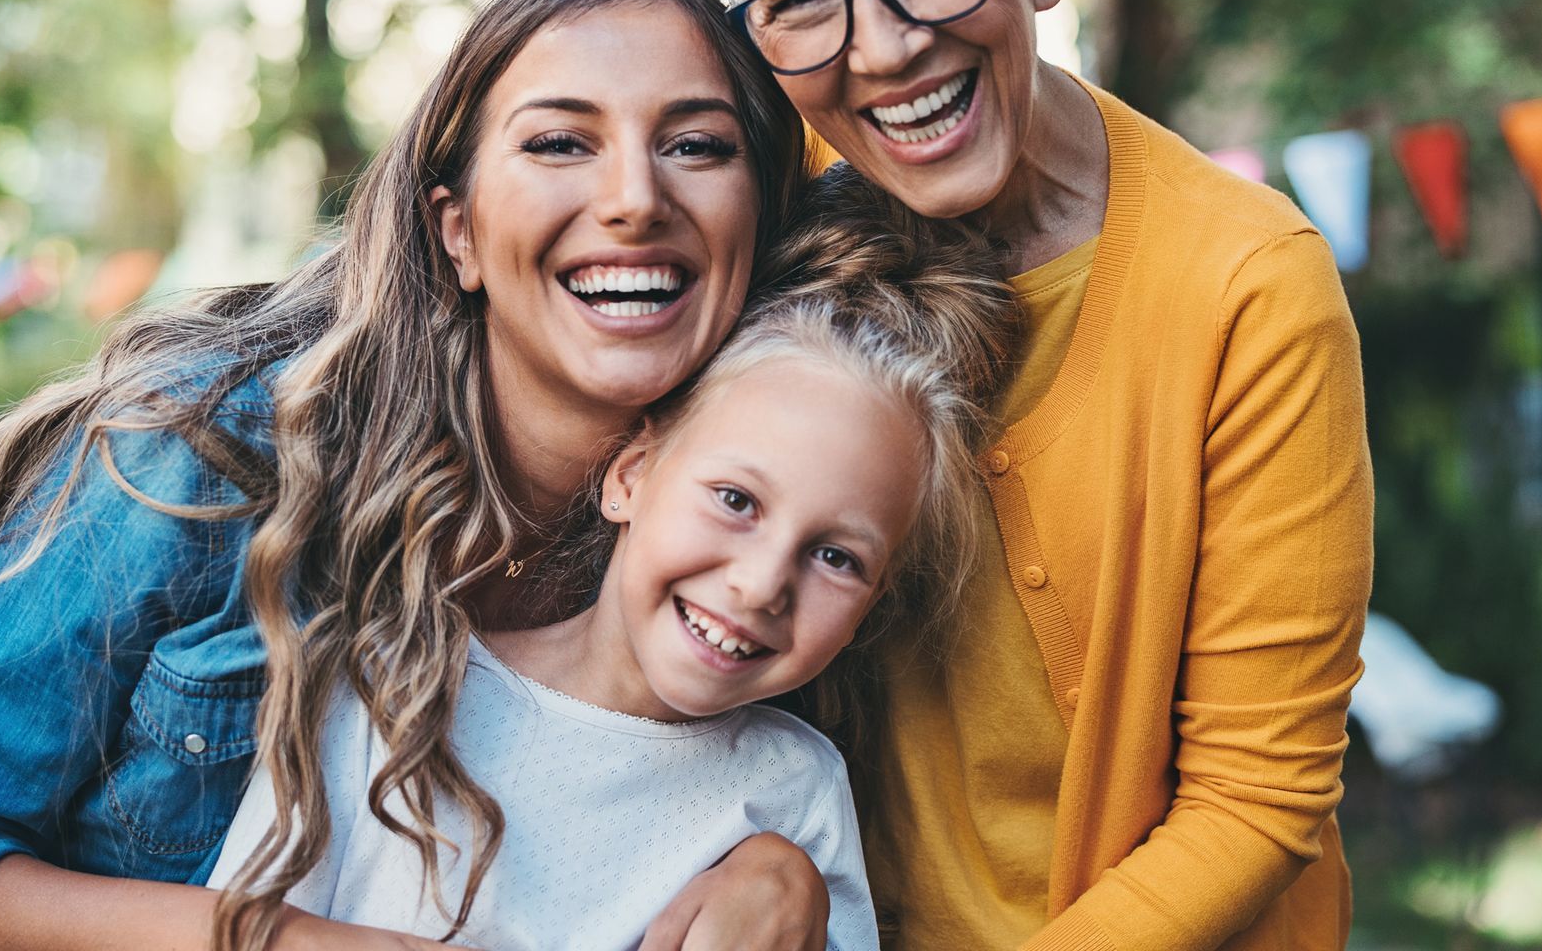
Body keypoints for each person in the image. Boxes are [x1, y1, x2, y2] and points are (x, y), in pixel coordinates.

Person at [0, 0, 823, 951]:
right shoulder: (211, 451)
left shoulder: (764, 536)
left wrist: (778, 863)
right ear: (456, 230)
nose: (637, 197)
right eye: (561, 143)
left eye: (698, 145)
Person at [692, 0, 1375, 951]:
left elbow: (1257, 796)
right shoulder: (756, 236)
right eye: (802, 0)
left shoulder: (1245, 285)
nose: (887, 48)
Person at [206, 167, 1024, 951]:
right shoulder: (398, 683)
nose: (762, 582)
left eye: (837, 557)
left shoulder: (795, 794)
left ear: (873, 603)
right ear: (631, 477)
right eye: (736, 501)